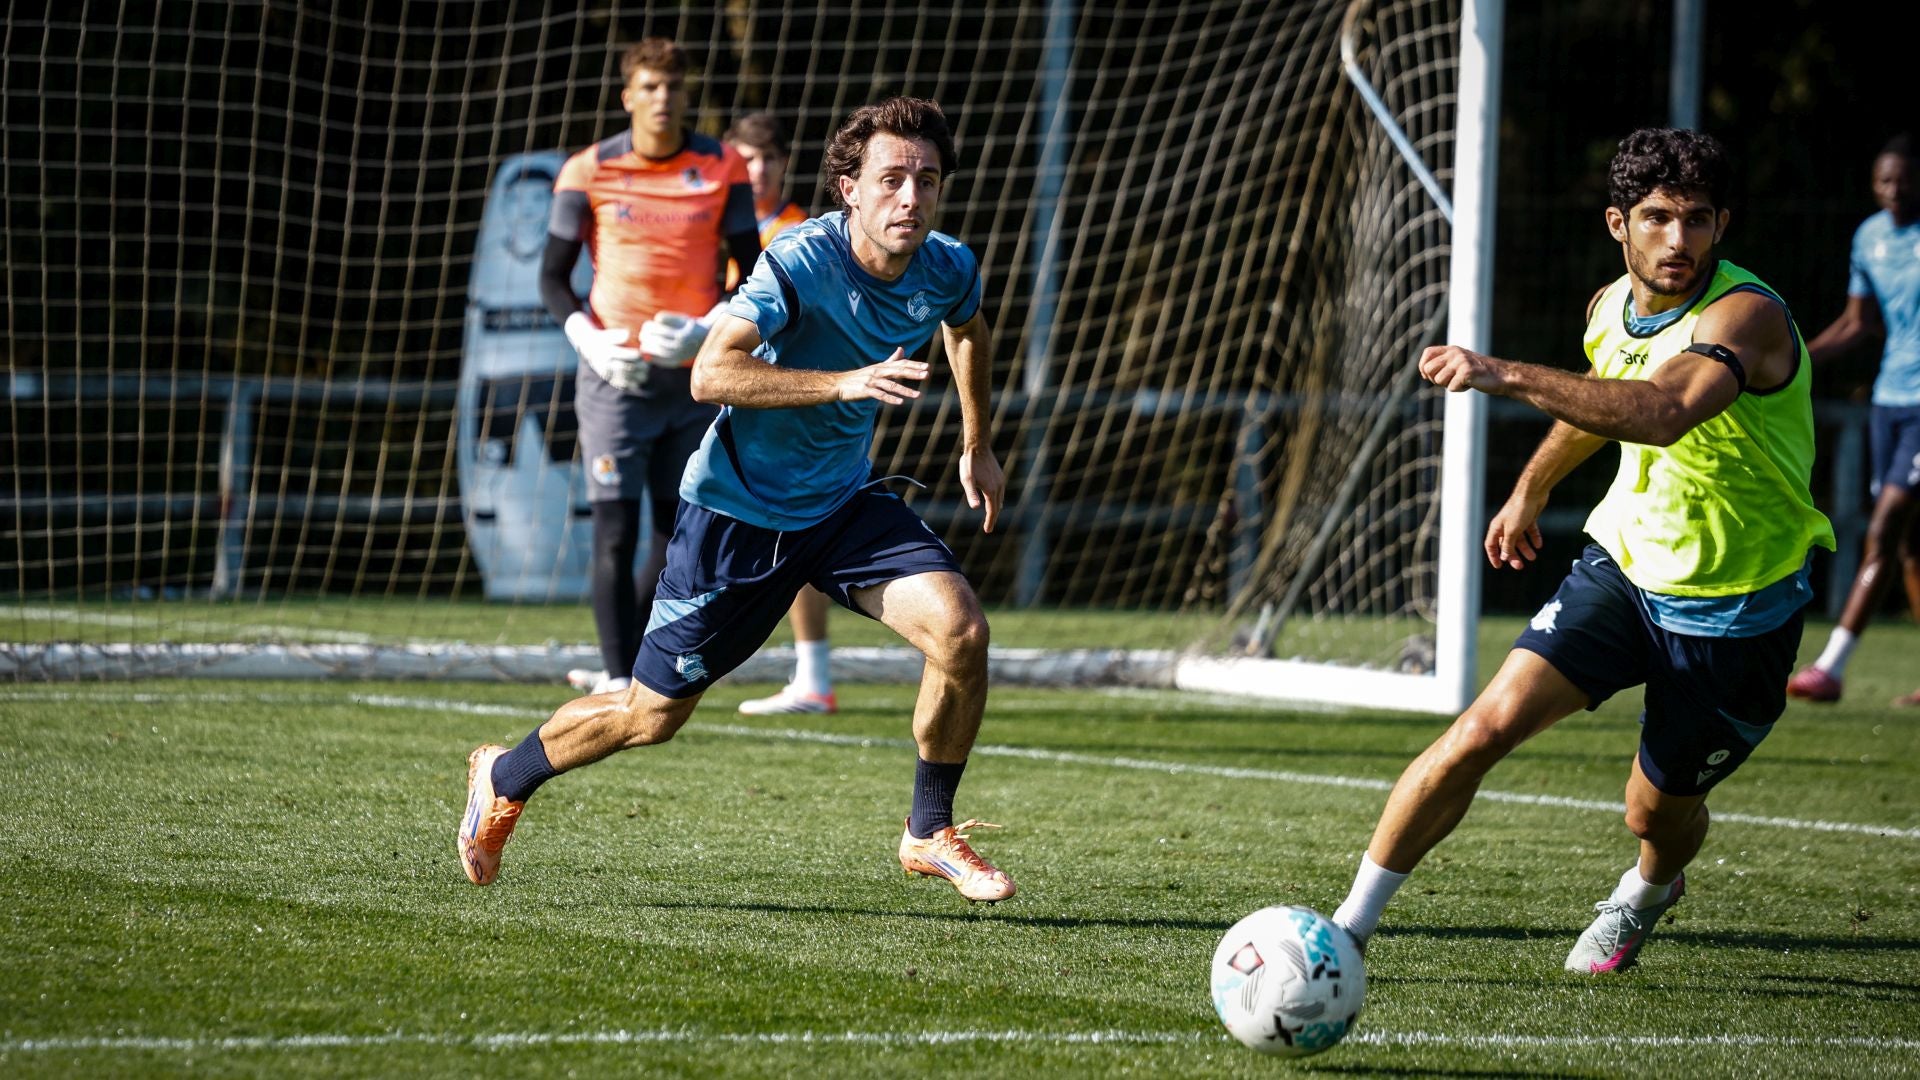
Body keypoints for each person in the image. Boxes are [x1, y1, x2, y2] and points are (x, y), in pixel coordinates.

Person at [461, 97, 1015, 903]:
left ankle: (929, 829)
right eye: (892, 179)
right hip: (738, 515)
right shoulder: (800, 259)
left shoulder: (947, 265)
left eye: (926, 180)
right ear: (850, 189)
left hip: (841, 504)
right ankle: (503, 775)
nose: (911, 197)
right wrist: (844, 383)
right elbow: (710, 373)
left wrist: (977, 442)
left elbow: (966, 327)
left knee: (961, 632)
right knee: (650, 716)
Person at [1327, 128, 1835, 973]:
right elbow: (1602, 397)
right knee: (1481, 729)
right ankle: (1344, 932)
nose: (1679, 239)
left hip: (1735, 606)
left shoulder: (1746, 315)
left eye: (1698, 220)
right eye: (1658, 217)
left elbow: (1662, 410)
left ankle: (1648, 889)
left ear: (1722, 225)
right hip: (1623, 568)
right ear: (1618, 224)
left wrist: (1506, 375)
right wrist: (1533, 486)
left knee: (1653, 814)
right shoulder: (1610, 307)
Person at [540, 38, 761, 698]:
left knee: (676, 533)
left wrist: (707, 327)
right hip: (616, 379)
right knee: (614, 531)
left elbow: (751, 270)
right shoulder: (588, 169)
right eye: (650, 86)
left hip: (693, 377)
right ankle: (615, 679)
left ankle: (638, 668)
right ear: (627, 96)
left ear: (686, 95)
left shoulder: (722, 165)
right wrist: (590, 342)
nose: (663, 98)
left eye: (673, 86)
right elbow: (552, 278)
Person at [1786, 134, 1920, 707]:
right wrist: (1793, 359)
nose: (1895, 190)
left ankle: (1831, 667)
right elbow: (1858, 322)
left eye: (1905, 179)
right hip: (1890, 398)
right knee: (1909, 545)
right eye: (1884, 180)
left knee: (1884, 526)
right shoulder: (1870, 237)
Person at [721, 111, 839, 716]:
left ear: (786, 164)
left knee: (801, 532)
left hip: (785, 401)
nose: (758, 169)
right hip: (730, 393)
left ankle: (814, 677)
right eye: (746, 158)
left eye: (768, 158)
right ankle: (645, 661)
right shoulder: (723, 226)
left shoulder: (800, 233)